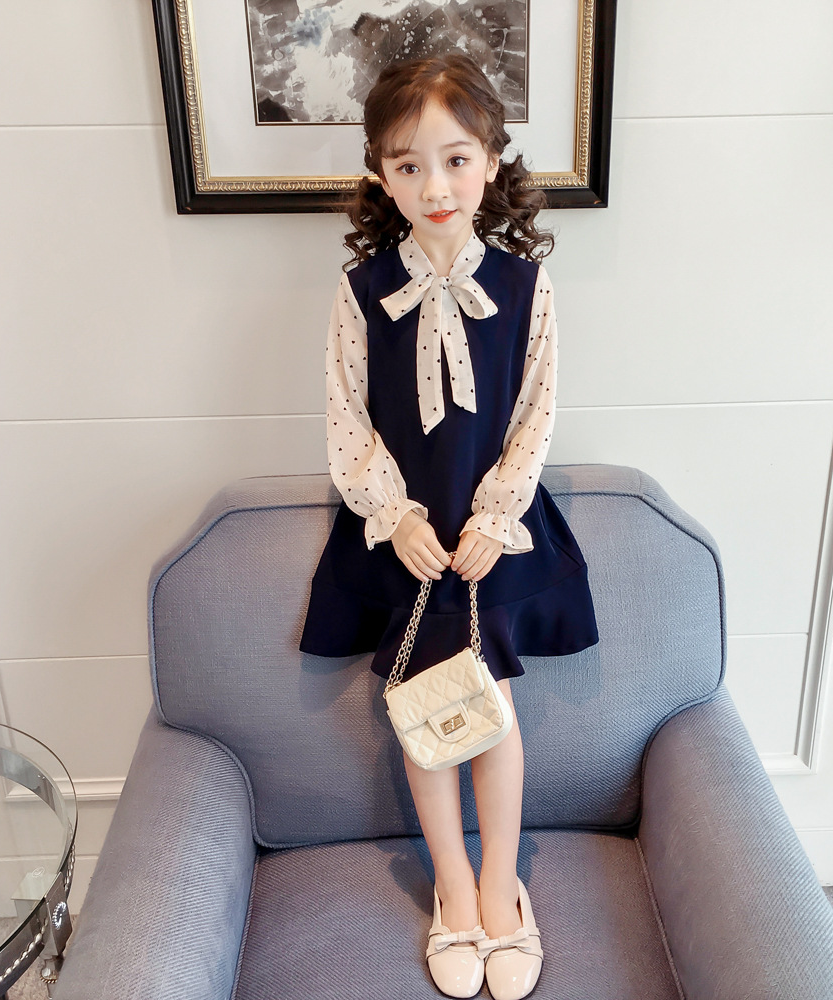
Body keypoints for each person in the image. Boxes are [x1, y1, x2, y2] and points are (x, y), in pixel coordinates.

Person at [300, 54, 599, 1000]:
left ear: (491, 160)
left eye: (456, 160)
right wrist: (393, 517)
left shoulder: (526, 286)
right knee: (423, 710)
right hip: (407, 540)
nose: (435, 187)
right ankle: (454, 889)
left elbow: (538, 412)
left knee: (492, 711)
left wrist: (498, 513)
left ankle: (503, 889)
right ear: (382, 176)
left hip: (492, 535)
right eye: (409, 165)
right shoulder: (360, 291)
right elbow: (345, 416)